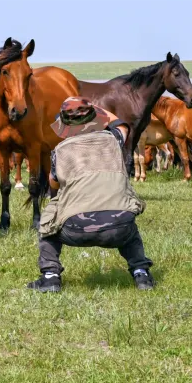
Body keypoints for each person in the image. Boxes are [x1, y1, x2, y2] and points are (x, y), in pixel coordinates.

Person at [26, 97, 154, 293]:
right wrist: (94, 107)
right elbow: (121, 125)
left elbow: (54, 184)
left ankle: (50, 277)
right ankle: (141, 273)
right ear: (95, 117)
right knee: (130, 230)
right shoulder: (114, 140)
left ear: (65, 124)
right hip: (119, 228)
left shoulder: (60, 151)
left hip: (75, 229)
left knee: (49, 218)